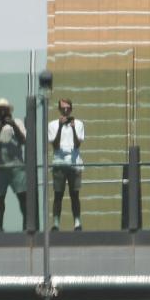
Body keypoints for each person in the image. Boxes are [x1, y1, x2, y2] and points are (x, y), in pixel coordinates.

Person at [0, 98, 27, 232]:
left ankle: (27, 224)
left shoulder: (18, 123)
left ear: (9, 111)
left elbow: (23, 140)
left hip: (17, 167)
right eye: (0, 110)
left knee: (23, 196)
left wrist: (13, 125)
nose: (2, 112)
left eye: (5, 110)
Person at [50, 98, 86, 231]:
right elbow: (55, 145)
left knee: (74, 194)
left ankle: (77, 222)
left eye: (68, 108)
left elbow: (77, 144)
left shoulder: (78, 123)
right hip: (59, 162)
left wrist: (74, 129)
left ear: (71, 109)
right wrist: (60, 126)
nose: (65, 111)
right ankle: (56, 223)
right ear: (59, 109)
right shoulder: (53, 124)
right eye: (63, 108)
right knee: (58, 194)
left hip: (74, 163)